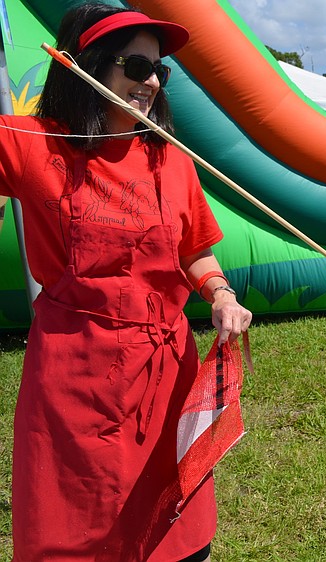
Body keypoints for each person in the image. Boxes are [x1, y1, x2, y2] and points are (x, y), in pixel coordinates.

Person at [0, 3, 252, 560]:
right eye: (137, 66)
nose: (153, 81)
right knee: (77, 535)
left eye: (160, 69)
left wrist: (222, 295)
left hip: (164, 378)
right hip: (73, 380)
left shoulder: (172, 159)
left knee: (175, 535)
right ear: (85, 67)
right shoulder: (32, 143)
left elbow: (194, 252)